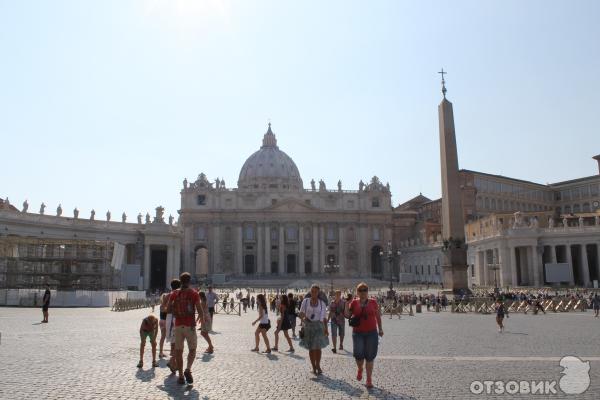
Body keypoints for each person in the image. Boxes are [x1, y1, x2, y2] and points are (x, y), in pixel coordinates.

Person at [344, 283, 383, 389]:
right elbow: (347, 316)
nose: (363, 292)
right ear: (357, 292)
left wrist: (380, 328)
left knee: (370, 357)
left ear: (367, 291)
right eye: (360, 290)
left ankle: (369, 379)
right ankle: (360, 368)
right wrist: (347, 305)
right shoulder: (354, 303)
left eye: (365, 290)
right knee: (358, 355)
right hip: (358, 333)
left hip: (372, 332)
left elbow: (378, 316)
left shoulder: (373, 302)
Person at [168, 272, 204, 385]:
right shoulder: (194, 293)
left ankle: (181, 376)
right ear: (189, 281)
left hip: (178, 325)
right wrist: (202, 320)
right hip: (190, 326)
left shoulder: (174, 293)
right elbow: (199, 308)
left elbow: (168, 309)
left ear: (180, 280)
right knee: (192, 349)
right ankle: (188, 369)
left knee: (178, 351)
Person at [299, 285, 329, 375]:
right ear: (310, 292)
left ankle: (318, 365)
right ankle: (313, 366)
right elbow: (301, 313)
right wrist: (304, 319)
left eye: (315, 291)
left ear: (318, 293)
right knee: (311, 348)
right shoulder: (306, 301)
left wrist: (326, 329)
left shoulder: (322, 303)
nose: (313, 293)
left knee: (318, 348)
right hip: (308, 326)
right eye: (312, 291)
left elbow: (324, 318)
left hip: (319, 326)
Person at [158, 292, 169, 358]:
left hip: (162, 321)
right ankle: (161, 352)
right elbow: (166, 311)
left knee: (163, 337)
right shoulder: (163, 305)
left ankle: (161, 352)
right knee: (163, 337)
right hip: (165, 322)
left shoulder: (162, 305)